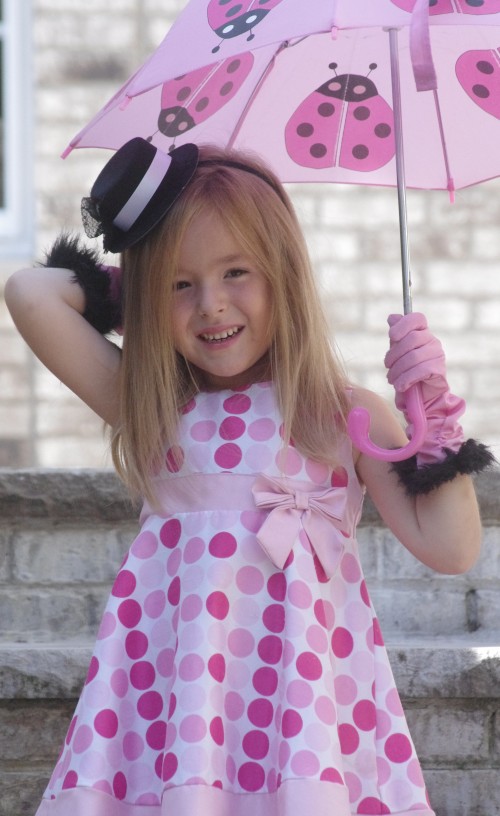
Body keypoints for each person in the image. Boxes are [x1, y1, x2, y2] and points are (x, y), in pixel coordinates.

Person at [6, 137, 493, 816]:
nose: (210, 304)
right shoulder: (154, 404)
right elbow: (29, 292)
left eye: (236, 272)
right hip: (176, 711)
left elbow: (451, 548)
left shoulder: (340, 413)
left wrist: (432, 414)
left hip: (303, 713)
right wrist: (145, 284)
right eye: (182, 284)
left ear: (283, 275)